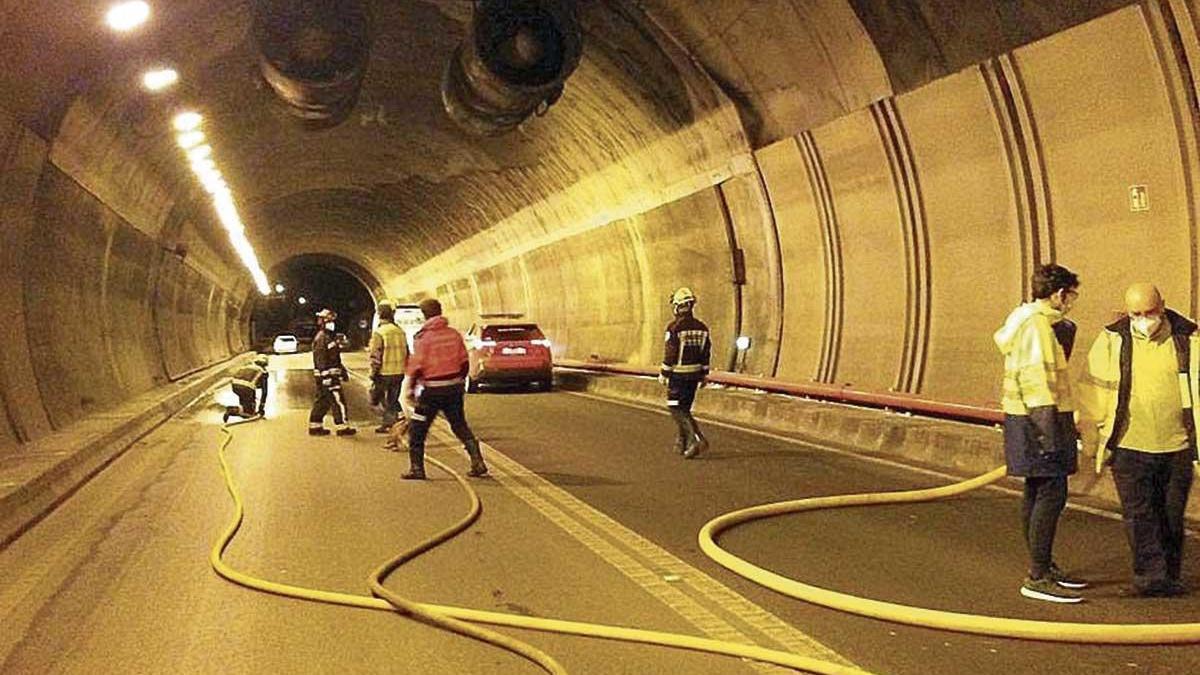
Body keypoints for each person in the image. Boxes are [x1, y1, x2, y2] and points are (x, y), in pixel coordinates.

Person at [1078, 283, 1198, 597]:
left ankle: (1169, 573)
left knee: (1171, 514)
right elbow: (1091, 391)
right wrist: (1093, 441)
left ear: (1163, 305)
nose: (1144, 320)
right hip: (1129, 446)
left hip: (1178, 447)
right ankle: (1150, 577)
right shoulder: (1112, 341)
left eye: (1150, 312)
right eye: (1137, 314)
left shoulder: (1189, 340)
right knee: (1140, 515)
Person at [993, 263, 1088, 603]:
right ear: (1058, 294)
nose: (1072, 301)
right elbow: (1037, 382)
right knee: (1051, 494)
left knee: (1036, 493)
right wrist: (1049, 435)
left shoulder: (1029, 323)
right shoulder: (1036, 328)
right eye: (1071, 294)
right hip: (1039, 421)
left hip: (1028, 421)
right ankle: (1037, 575)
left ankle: (1043, 565)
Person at [401, 298, 487, 479]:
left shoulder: (423, 338)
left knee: (417, 428)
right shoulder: (454, 334)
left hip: (431, 392)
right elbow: (464, 362)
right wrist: (458, 381)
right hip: (453, 390)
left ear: (424, 314)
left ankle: (417, 468)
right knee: (459, 425)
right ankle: (477, 461)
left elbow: (417, 365)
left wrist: (410, 389)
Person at [659, 287, 711, 459]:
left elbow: (671, 352)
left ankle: (696, 439)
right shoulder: (702, 328)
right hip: (694, 375)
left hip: (678, 375)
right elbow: (706, 352)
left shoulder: (674, 328)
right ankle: (682, 442)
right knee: (685, 409)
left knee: (675, 408)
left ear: (677, 307)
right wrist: (704, 373)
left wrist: (664, 372)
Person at [308, 308, 356, 437]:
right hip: (328, 376)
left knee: (323, 401)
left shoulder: (329, 337)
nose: (332, 323)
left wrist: (343, 371)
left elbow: (334, 358)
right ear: (323, 322)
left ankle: (315, 426)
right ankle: (342, 427)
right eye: (329, 321)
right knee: (338, 400)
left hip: (328, 375)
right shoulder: (322, 338)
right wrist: (326, 376)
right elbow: (321, 359)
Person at [369, 301, 409, 435]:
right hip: (399, 372)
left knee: (379, 398)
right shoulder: (400, 332)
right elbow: (407, 352)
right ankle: (396, 419)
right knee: (392, 398)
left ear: (380, 315)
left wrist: (373, 373)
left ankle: (391, 423)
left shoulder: (379, 333)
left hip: (384, 372)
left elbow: (376, 355)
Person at [223, 355, 270, 423]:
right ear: (265, 364)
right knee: (249, 413)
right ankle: (232, 410)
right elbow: (264, 392)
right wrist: (261, 407)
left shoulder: (247, 366)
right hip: (246, 388)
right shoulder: (263, 372)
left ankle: (242, 410)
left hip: (235, 385)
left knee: (245, 408)